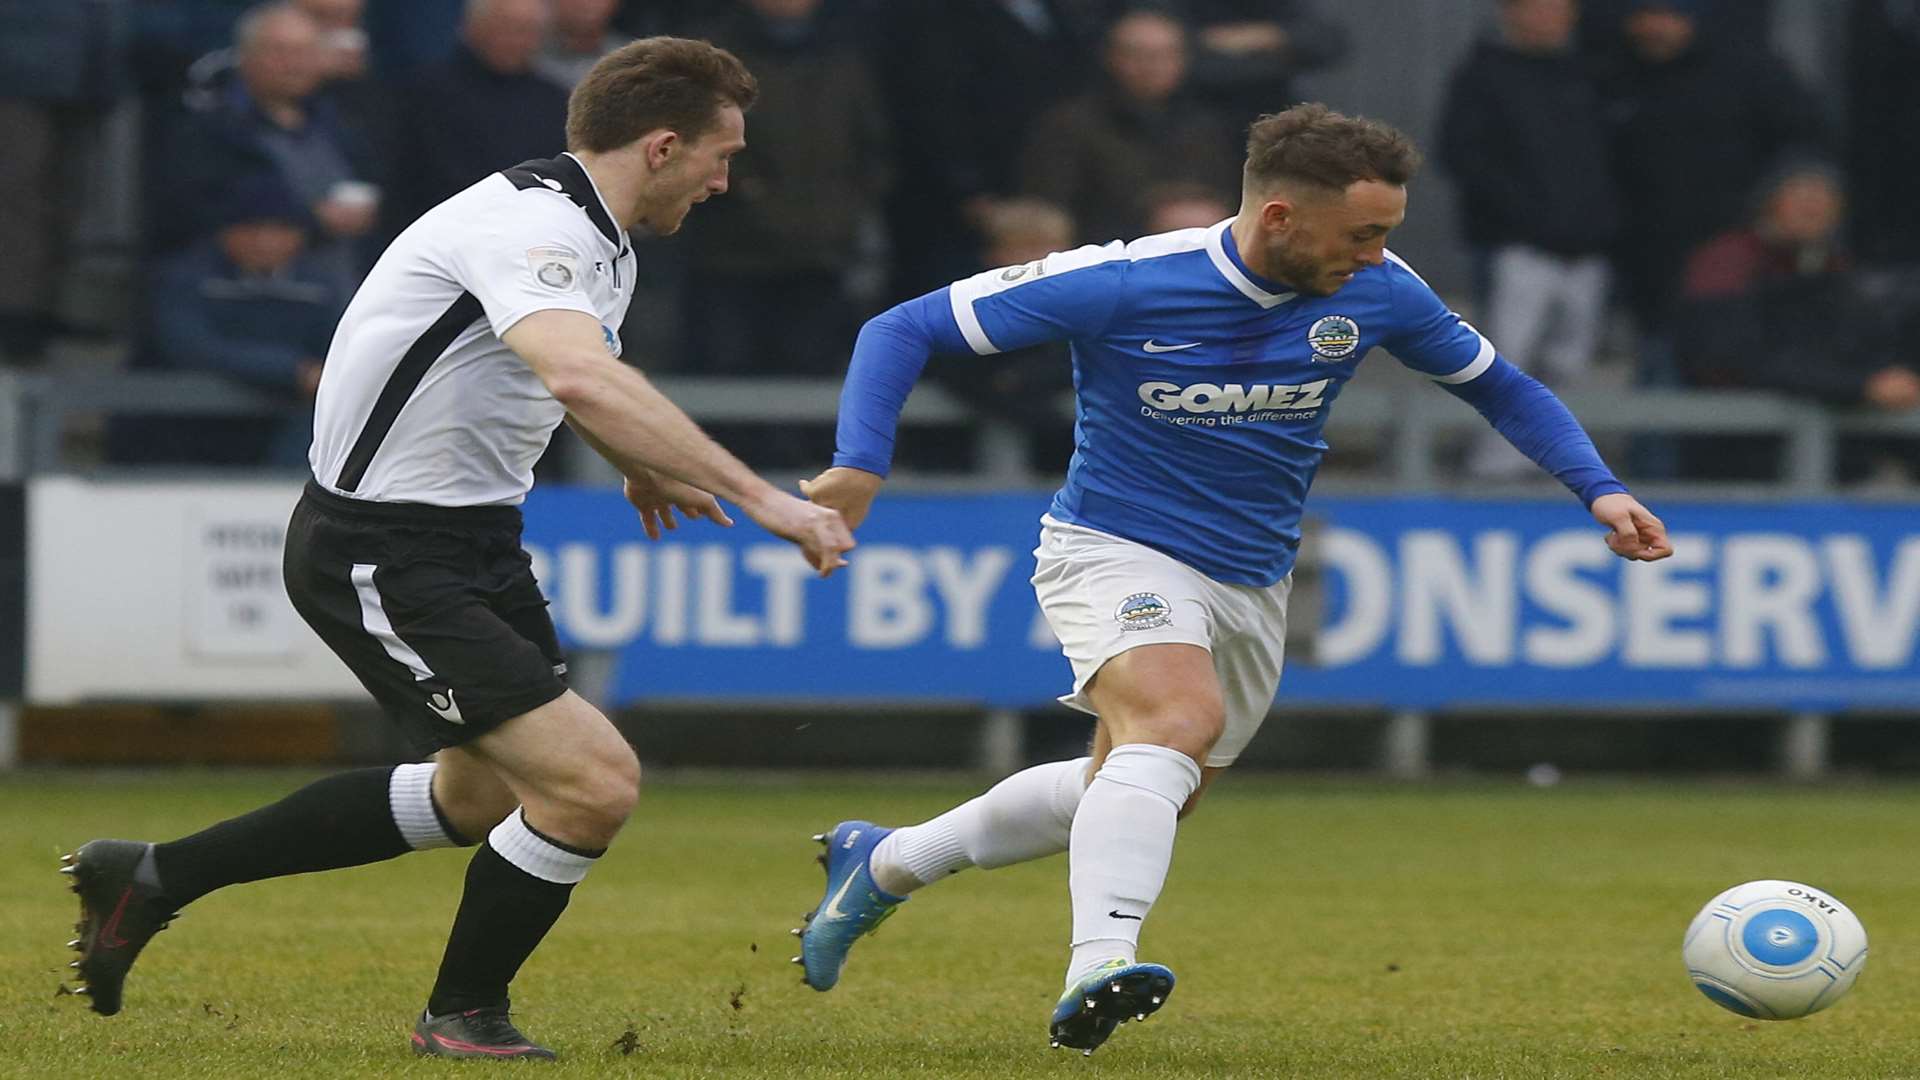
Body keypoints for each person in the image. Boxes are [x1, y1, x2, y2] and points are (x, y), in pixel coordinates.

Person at [793, 103, 1673, 1055]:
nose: (1377, 256)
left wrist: (1599, 487)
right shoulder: (1124, 280)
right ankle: (1097, 965)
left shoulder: (1381, 291)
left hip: (1252, 579)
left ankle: (883, 862)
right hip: (1112, 544)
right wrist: (862, 462)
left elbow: (1499, 385)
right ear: (1282, 217)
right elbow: (903, 327)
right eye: (1363, 234)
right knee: (1174, 721)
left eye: (1387, 235)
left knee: (1140, 780)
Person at [60, 37, 854, 1061]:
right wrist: (763, 500)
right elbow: (577, 375)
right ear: (662, 146)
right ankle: (462, 1015)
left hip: (472, 537)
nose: (725, 180)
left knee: (477, 795)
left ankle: (155, 875)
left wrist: (642, 461)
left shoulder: (595, 233)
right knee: (593, 782)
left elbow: (565, 373)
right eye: (721, 155)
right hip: (383, 548)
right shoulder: (531, 228)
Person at [1438, 0, 1619, 478]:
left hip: (1587, 250)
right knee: (1504, 359)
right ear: (1510, 13)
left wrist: (1599, 223)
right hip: (1517, 248)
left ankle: (1559, 469)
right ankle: (1493, 470)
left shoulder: (1592, 76)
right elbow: (1461, 154)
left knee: (1570, 362)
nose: (1547, 17)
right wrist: (1523, 216)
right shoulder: (1483, 74)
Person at [1676, 161, 1920, 481]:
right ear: (1769, 202)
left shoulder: (1835, 268)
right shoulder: (1728, 261)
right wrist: (1860, 385)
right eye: (1801, 193)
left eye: (1825, 196)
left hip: (1836, 448)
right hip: (1734, 448)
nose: (1813, 205)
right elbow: (1728, 356)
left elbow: (1857, 346)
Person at [1019, 8, 1240, 245]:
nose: (1151, 66)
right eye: (1137, 54)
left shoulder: (1209, 125)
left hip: (1200, 252)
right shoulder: (1069, 125)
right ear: (1110, 57)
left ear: (1183, 60)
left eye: (1164, 54)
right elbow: (1046, 213)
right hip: (1100, 256)